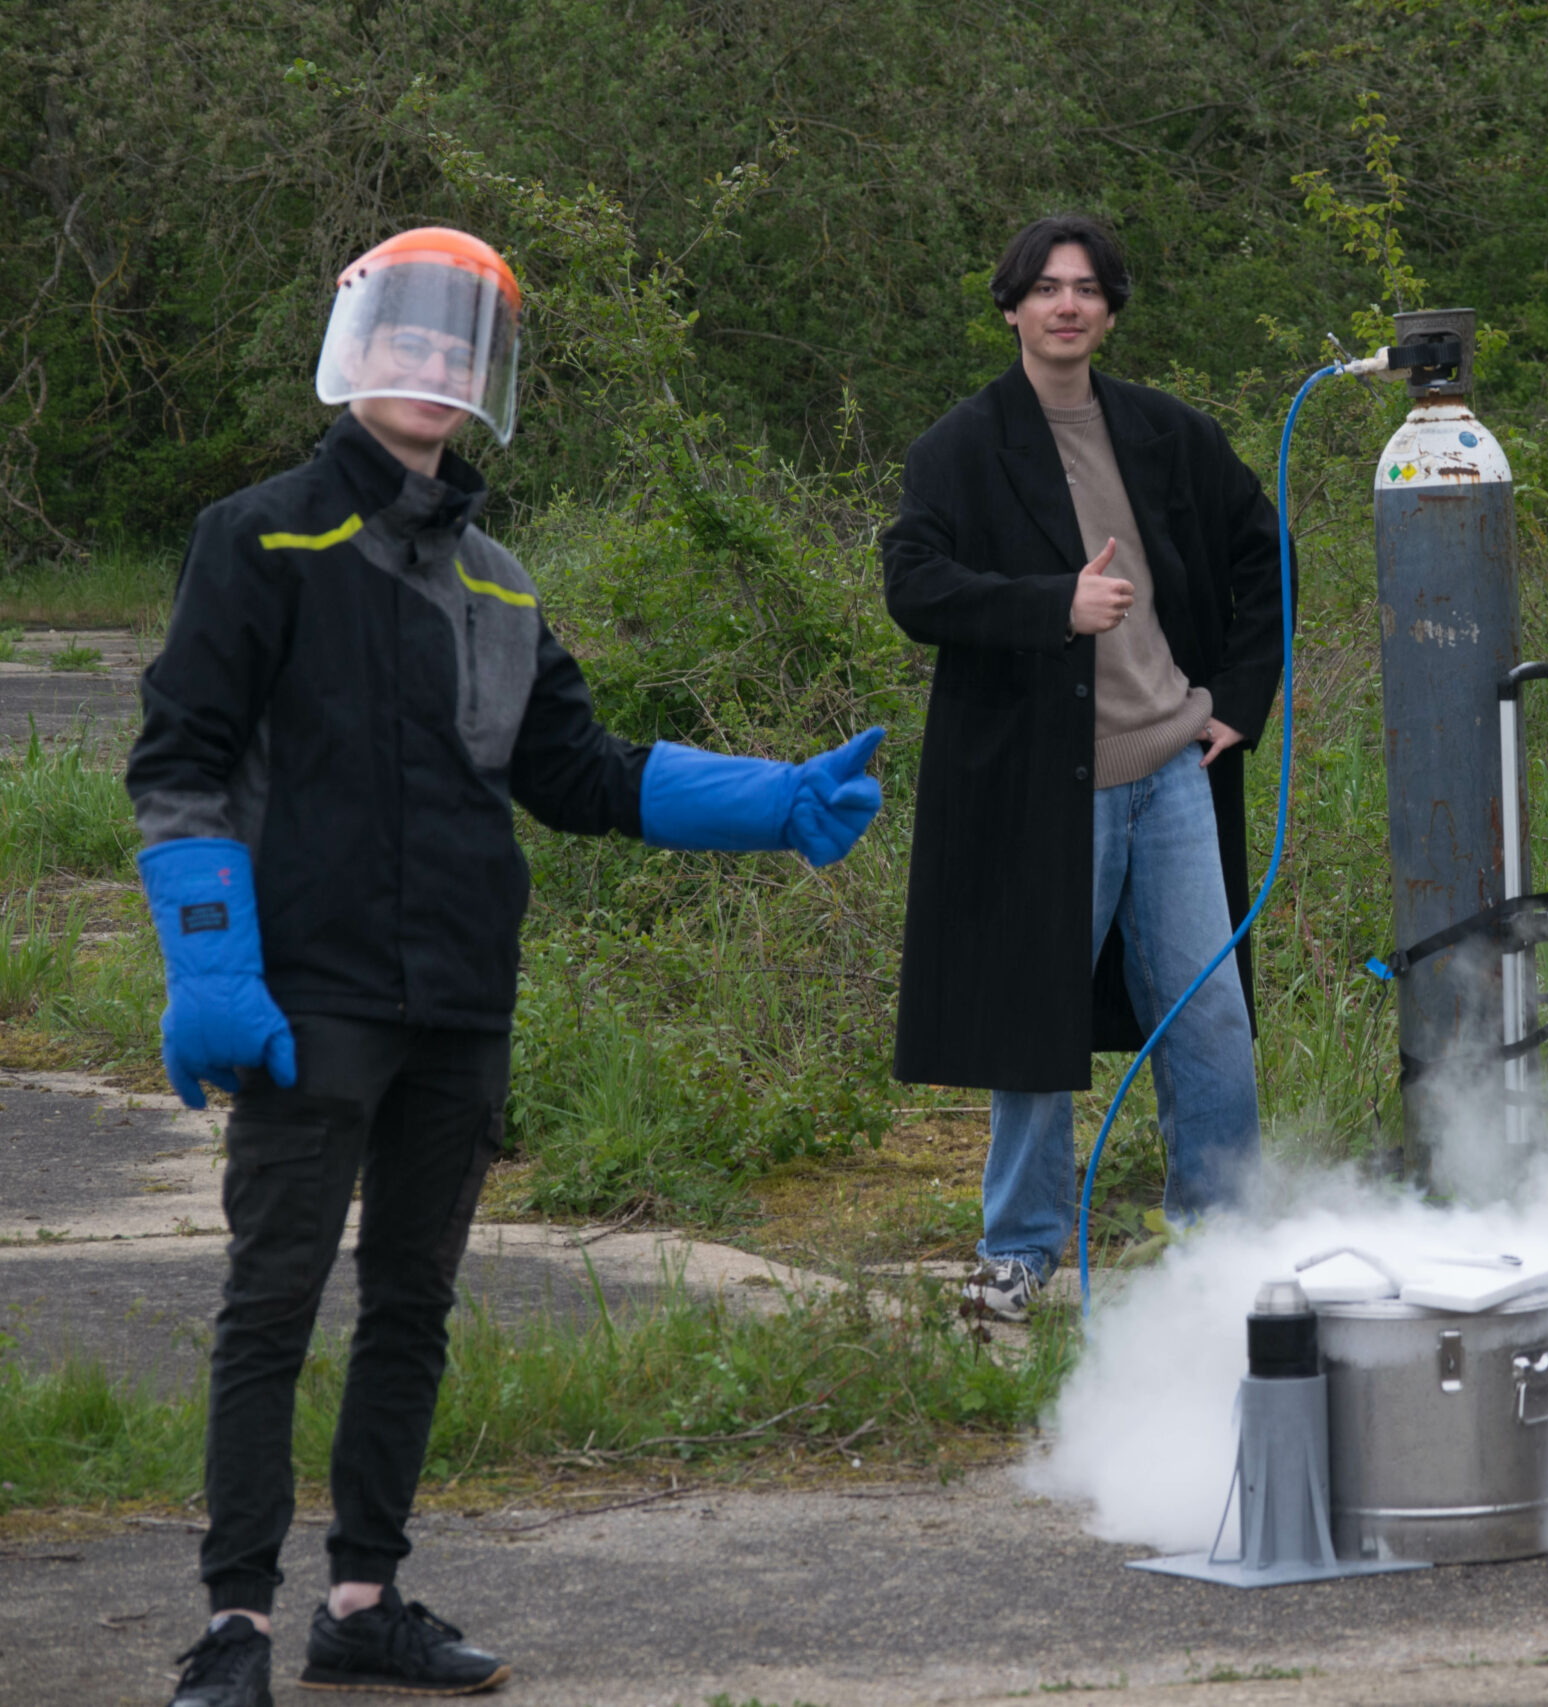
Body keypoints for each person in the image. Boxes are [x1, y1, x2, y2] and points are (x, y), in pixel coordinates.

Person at [130, 226, 886, 1707]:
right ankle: (235, 1623)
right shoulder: (263, 535)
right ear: (359, 354)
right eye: (405, 338)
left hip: (461, 997)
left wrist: (774, 797)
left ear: (483, 380)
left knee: (413, 1301)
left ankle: (364, 1596)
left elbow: (576, 769)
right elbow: (180, 762)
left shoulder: (498, 580)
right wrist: (209, 961)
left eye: (454, 347)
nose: (428, 367)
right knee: (271, 1301)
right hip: (310, 996)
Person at [881, 213, 1287, 1321]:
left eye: (1089, 288)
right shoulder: (958, 449)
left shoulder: (1167, 434)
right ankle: (1017, 1251)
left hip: (1168, 772)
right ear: (1011, 306)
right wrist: (1048, 606)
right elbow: (913, 587)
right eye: (1047, 287)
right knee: (1034, 1028)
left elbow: (1266, 553)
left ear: (1109, 310)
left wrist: (1238, 704)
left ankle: (1221, 1249)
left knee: (1206, 1020)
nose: (1069, 305)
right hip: (1040, 790)